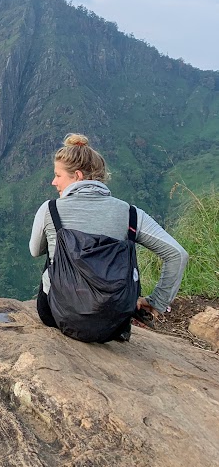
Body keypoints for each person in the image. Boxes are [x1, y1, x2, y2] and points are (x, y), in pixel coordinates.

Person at [30, 133, 188, 339]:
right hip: (113, 322)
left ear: (77, 176)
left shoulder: (50, 209)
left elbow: (35, 251)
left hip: (56, 315)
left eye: (58, 175)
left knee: (55, 252)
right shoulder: (131, 214)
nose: (53, 182)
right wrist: (157, 301)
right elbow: (177, 254)